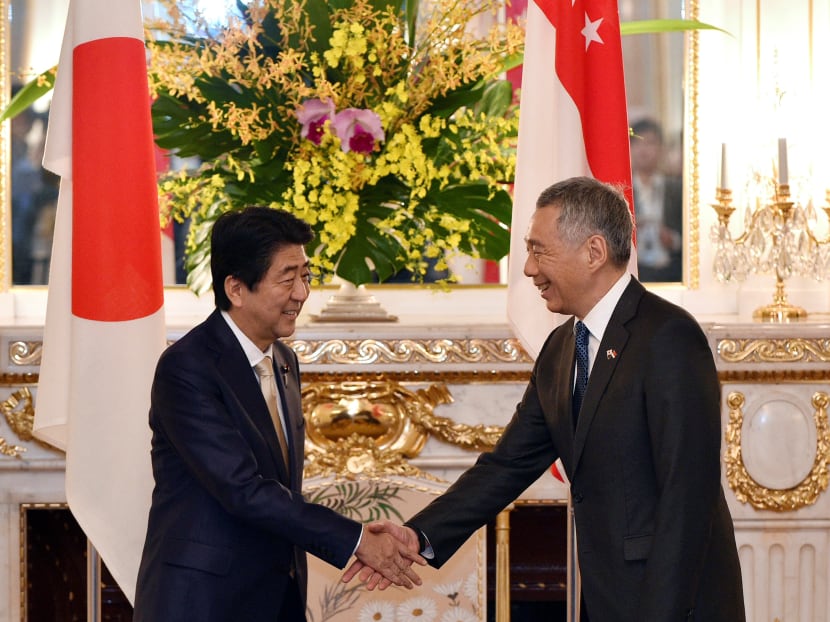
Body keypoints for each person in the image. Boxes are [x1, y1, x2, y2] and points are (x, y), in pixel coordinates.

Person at [347, 177, 745, 621]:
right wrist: (418, 535)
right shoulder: (561, 348)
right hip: (606, 595)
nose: (529, 270)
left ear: (594, 252)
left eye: (540, 251)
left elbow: (686, 495)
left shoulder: (667, 335)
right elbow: (508, 465)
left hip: (673, 602)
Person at [133, 206, 424, 622]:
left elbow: (281, 486)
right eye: (287, 278)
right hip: (201, 601)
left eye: (305, 276)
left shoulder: (284, 360)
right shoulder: (188, 367)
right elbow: (243, 490)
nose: (302, 293)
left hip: (275, 597)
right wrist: (356, 538)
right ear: (236, 288)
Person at [630, 117, 684, 282]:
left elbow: (691, 235)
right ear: (629, 148)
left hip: (672, 272)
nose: (644, 150)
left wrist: (673, 240)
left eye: (650, 143)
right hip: (635, 272)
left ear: (661, 149)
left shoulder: (677, 188)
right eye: (638, 143)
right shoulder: (621, 189)